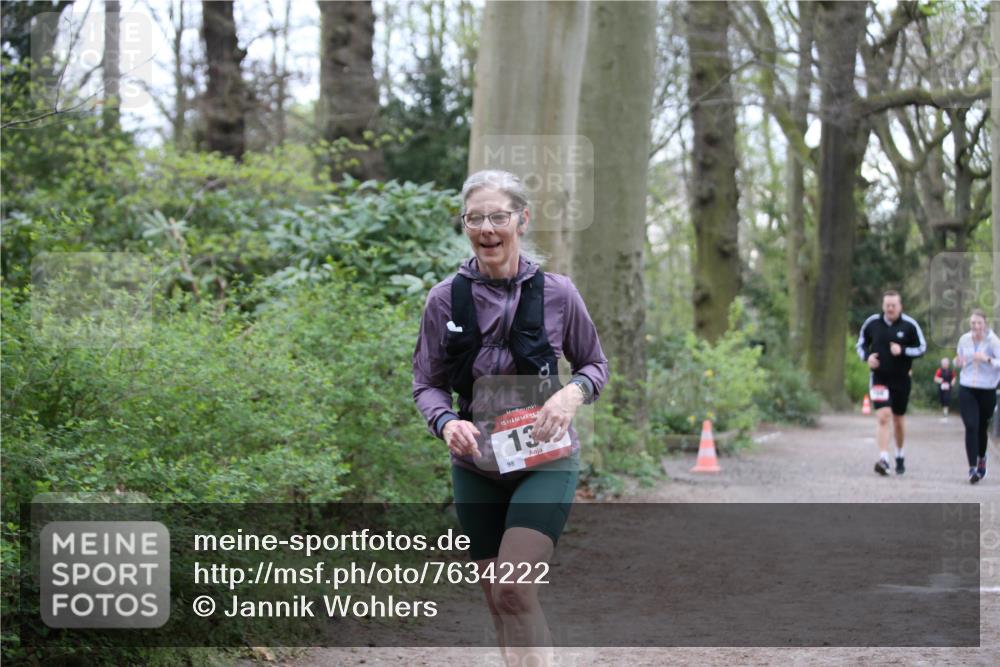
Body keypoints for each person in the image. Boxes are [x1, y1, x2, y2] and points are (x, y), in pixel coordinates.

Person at [412, 169, 608, 665]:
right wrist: (445, 422)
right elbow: (427, 384)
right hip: (476, 466)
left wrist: (570, 396)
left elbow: (594, 365)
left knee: (514, 590)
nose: (486, 228)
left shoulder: (559, 293)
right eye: (474, 218)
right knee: (499, 601)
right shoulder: (443, 299)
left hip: (544, 461)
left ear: (522, 219)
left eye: (497, 216)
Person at [856, 290, 927, 476]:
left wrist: (902, 350)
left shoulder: (910, 325)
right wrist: (866, 357)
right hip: (879, 378)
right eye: (887, 305)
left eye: (893, 305)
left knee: (898, 420)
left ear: (900, 306)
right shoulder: (872, 323)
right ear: (883, 305)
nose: (890, 308)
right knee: (883, 416)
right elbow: (861, 344)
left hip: (901, 379)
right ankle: (884, 459)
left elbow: (922, 348)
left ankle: (900, 454)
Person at [955, 309, 999, 484]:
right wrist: (956, 361)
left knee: (981, 428)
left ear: (985, 324)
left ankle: (982, 458)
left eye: (979, 323)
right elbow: (959, 359)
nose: (976, 326)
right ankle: (972, 468)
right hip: (967, 387)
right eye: (973, 323)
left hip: (987, 389)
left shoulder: (993, 341)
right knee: (971, 426)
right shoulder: (964, 339)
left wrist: (987, 359)